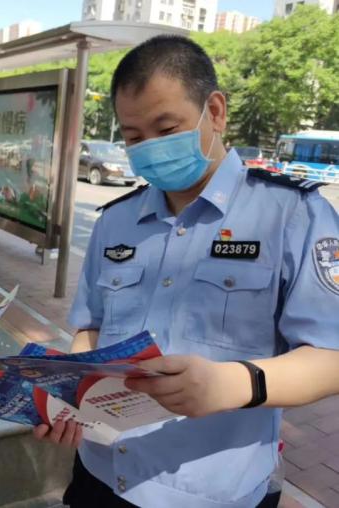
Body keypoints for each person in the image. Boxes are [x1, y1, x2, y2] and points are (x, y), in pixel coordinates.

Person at [35, 35, 339, 508]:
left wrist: (233, 384)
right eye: (134, 137)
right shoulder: (116, 220)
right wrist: (73, 395)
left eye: (166, 128)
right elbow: (92, 329)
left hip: (211, 494)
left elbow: (330, 356)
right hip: (100, 473)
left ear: (214, 111)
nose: (150, 148)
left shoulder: (293, 214)